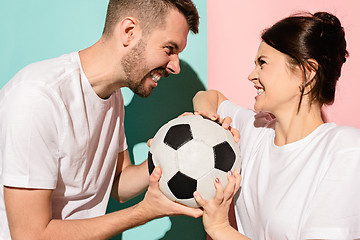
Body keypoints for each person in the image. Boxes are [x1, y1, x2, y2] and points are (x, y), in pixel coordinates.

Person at [0, 0, 203, 239]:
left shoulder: (113, 95)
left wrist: (175, 146)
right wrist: (144, 212)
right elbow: (29, 235)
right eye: (169, 49)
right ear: (129, 32)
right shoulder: (38, 97)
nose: (175, 66)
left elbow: (118, 183)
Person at [192, 11, 360, 240]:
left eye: (262, 63)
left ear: (306, 72)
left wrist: (220, 228)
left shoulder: (346, 149)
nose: (252, 75)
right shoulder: (255, 130)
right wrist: (208, 120)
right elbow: (208, 96)